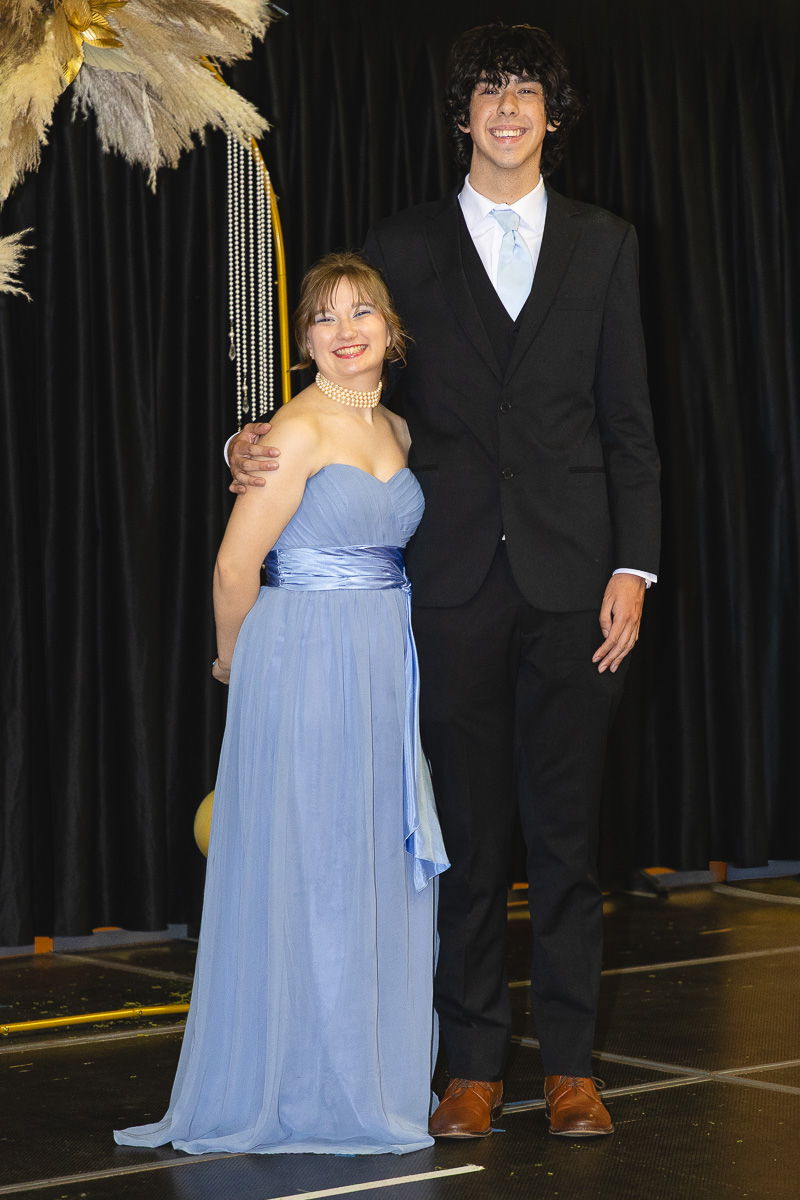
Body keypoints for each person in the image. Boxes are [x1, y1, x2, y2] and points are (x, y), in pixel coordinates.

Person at [229, 22, 660, 1139]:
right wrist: (250, 443)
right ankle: (468, 1066)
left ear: (550, 118)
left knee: (564, 841)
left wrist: (633, 565)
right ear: (461, 116)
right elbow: (347, 394)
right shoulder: (403, 245)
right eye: (485, 90)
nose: (505, 107)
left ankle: (569, 1068)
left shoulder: (606, 243)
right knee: (459, 840)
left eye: (525, 90)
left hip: (577, 586)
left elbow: (629, 426)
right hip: (447, 589)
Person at [115, 252, 448, 1156]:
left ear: (391, 330)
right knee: (314, 867)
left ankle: (356, 1078)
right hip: (300, 658)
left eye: (362, 313)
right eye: (325, 318)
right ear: (303, 343)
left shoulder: (399, 432)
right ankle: (296, 1081)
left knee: (364, 863)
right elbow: (234, 565)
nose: (346, 331)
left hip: (380, 660)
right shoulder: (291, 432)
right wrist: (237, 666)